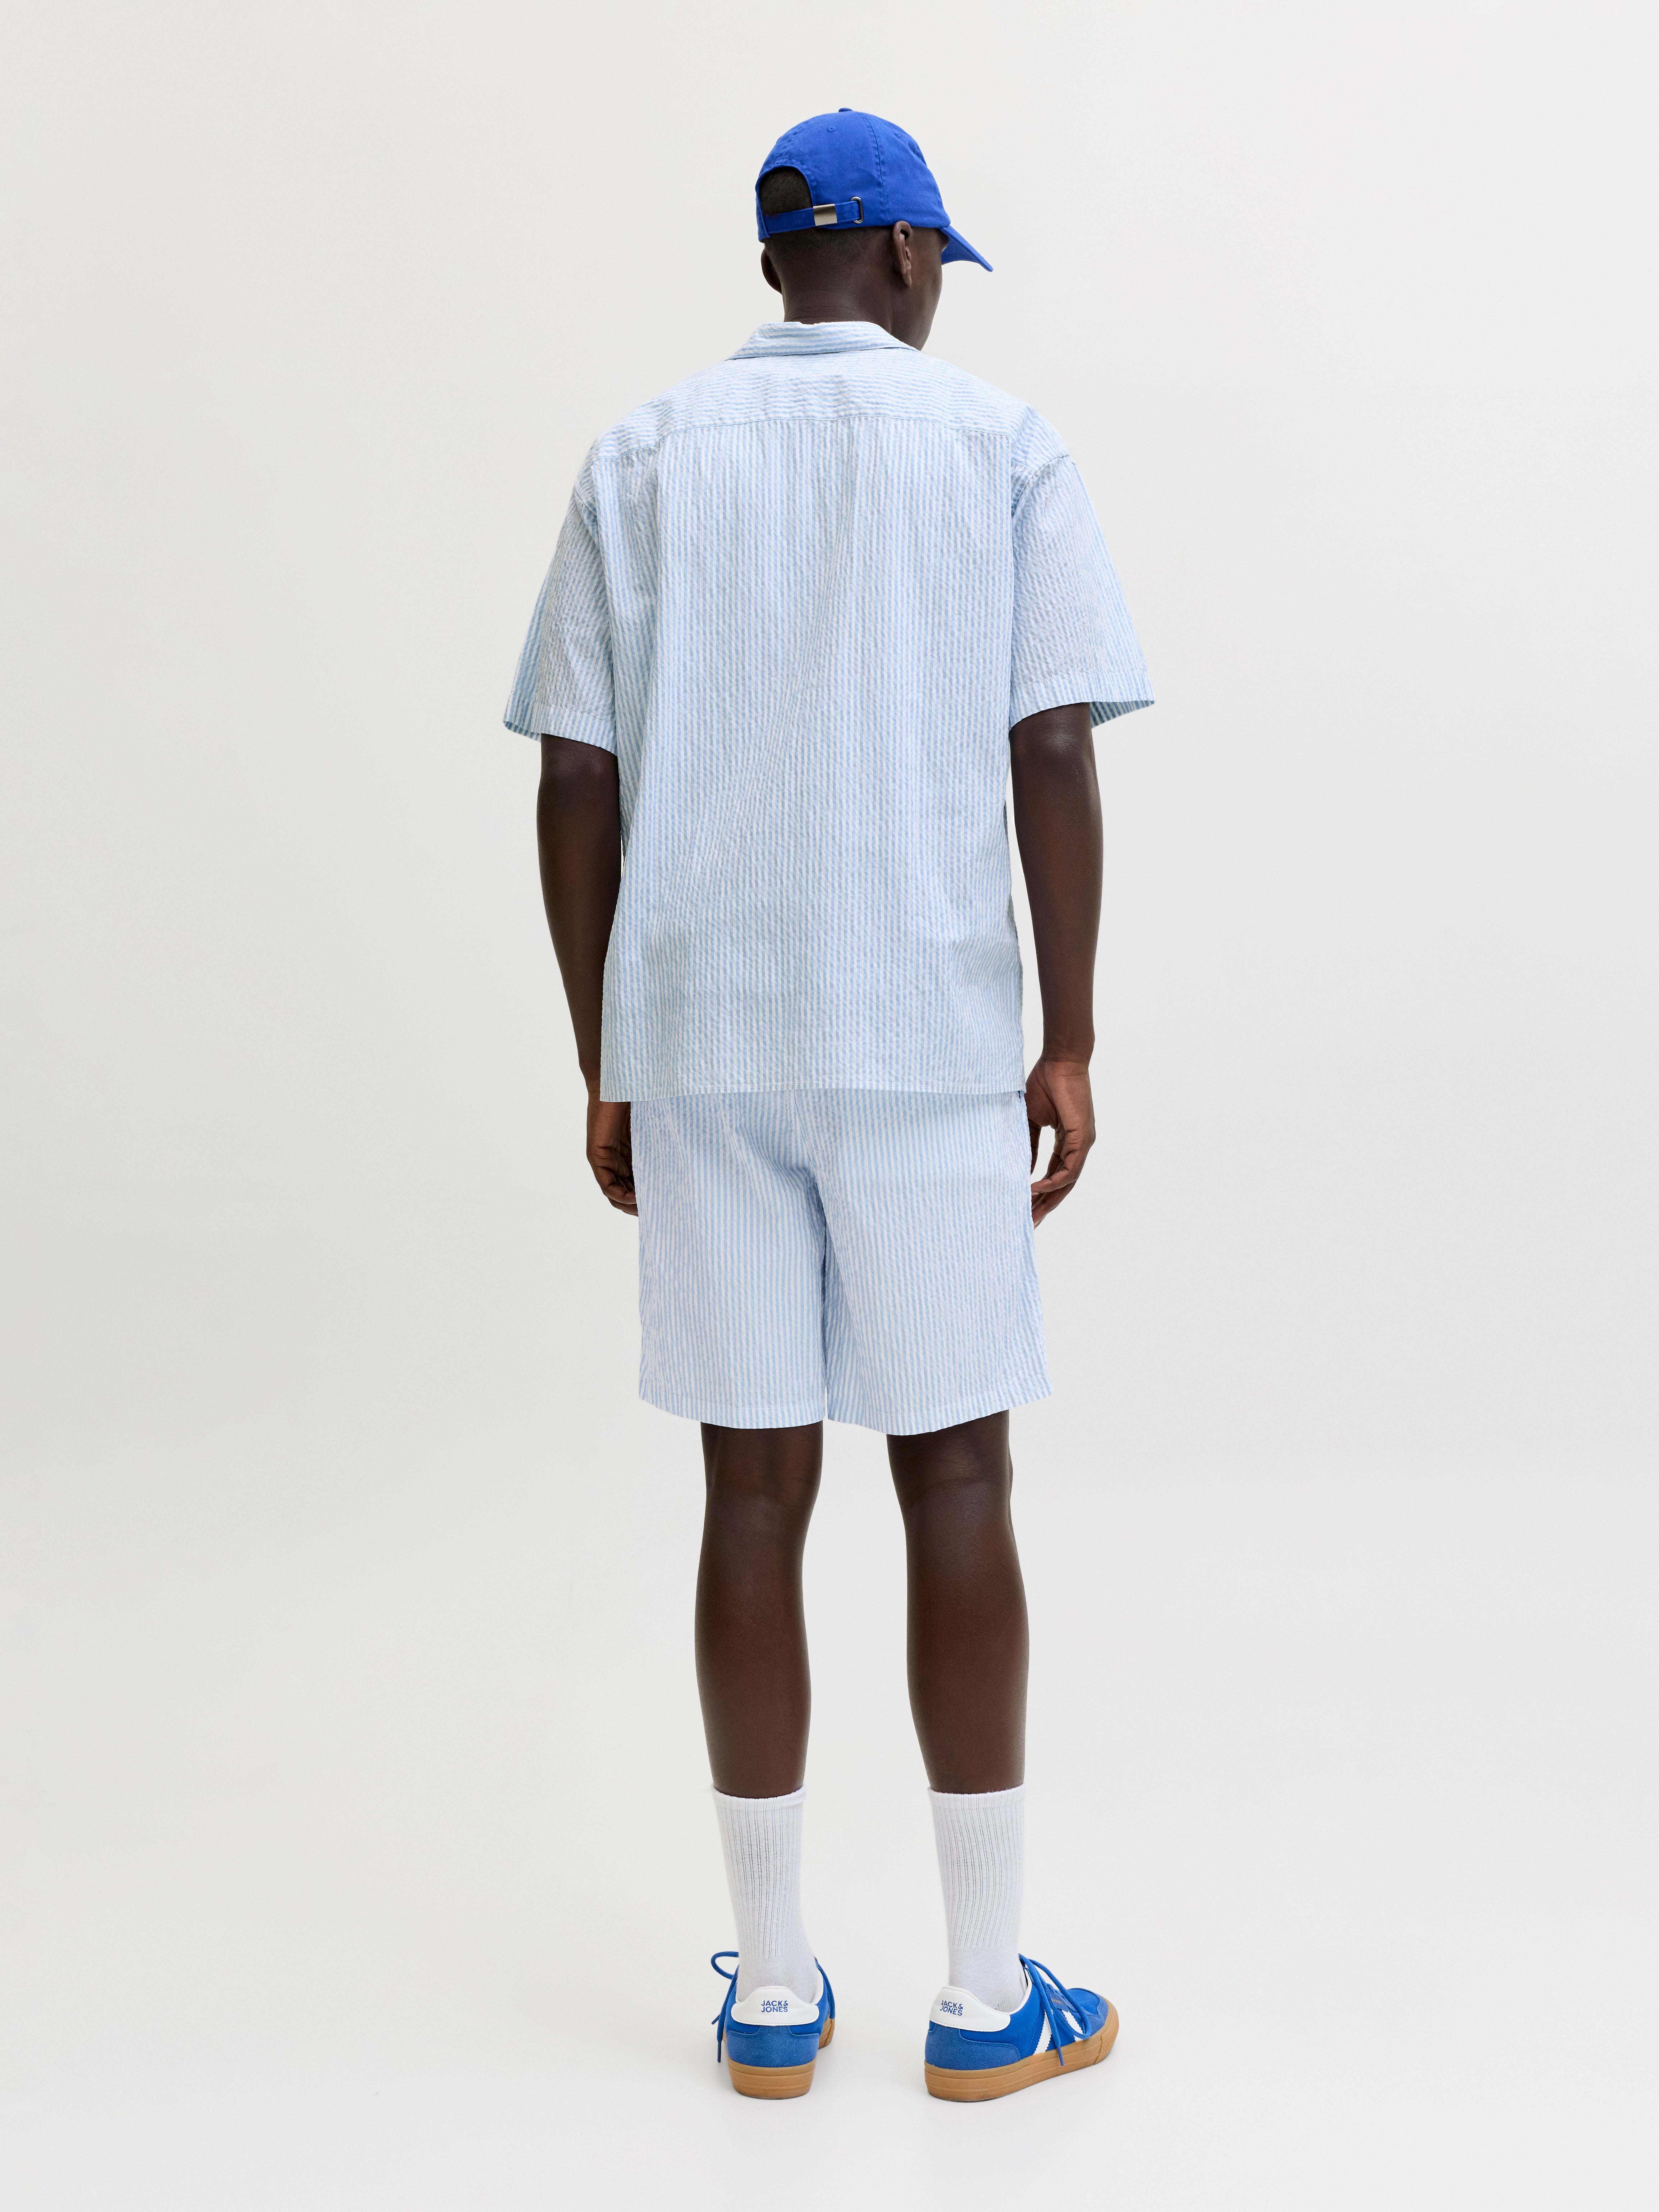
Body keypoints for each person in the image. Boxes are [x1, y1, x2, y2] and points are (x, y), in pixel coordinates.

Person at [505, 107, 1152, 2102]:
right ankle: (983, 1997)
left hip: (705, 1038)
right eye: (940, 261)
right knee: (954, 1483)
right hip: (925, 1030)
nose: (942, 287)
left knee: (751, 1493)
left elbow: (576, 780)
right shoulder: (1001, 447)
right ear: (902, 256)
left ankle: (775, 1996)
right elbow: (1054, 742)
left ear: (784, 259)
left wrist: (604, 1051)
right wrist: (1070, 1034)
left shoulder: (641, 455)